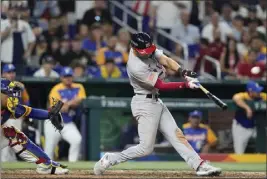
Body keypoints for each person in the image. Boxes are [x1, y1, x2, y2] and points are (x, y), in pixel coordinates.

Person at [93, 32, 222, 176]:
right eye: (144, 51)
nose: (148, 53)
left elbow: (165, 60)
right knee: (145, 149)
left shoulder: (147, 48)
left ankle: (199, 165)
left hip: (155, 101)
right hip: (144, 103)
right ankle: (111, 158)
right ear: (134, 48)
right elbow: (161, 85)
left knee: (176, 134)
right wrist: (186, 85)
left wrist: (182, 71)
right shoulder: (135, 66)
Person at [1, 78, 68, 174]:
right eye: (8, 95)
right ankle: (46, 164)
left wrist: (49, 115)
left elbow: (31, 112)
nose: (12, 98)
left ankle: (45, 163)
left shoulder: (8, 107)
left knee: (11, 133)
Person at [45, 67, 86, 162]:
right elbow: (60, 108)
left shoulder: (79, 86)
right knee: (50, 148)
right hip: (53, 123)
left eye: (70, 76)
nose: (68, 78)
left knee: (77, 140)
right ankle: (46, 167)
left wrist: (67, 103)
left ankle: (73, 165)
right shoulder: (56, 89)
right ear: (61, 78)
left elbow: (80, 100)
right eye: (65, 76)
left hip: (67, 123)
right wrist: (71, 103)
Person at [1, 64, 30, 161]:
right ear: (3, 74)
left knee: (11, 142)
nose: (11, 75)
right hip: (4, 118)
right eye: (9, 72)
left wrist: (25, 115)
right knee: (7, 142)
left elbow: (26, 101)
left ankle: (9, 162)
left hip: (15, 118)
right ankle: (6, 162)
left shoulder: (19, 86)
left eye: (13, 72)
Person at [232, 81, 266, 154]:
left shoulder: (262, 96)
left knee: (263, 146)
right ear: (250, 92)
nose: (259, 92)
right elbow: (236, 97)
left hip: (255, 128)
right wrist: (247, 108)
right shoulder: (244, 95)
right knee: (239, 152)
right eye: (257, 91)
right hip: (241, 127)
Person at [1, 4, 36, 75]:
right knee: (6, 82)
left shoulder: (24, 24)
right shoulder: (2, 24)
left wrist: (28, 51)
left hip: (21, 59)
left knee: (19, 82)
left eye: (16, 11)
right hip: (6, 59)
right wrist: (11, 27)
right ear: (8, 12)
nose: (14, 12)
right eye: (12, 10)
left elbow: (32, 40)